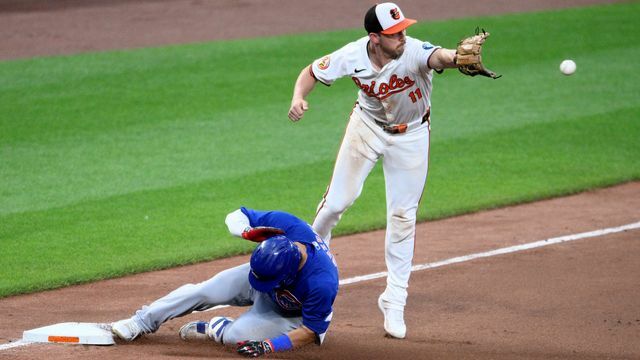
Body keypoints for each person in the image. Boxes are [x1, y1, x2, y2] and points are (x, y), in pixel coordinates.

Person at [288, 2, 494, 339]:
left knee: (403, 216)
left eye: (403, 29)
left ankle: (394, 298)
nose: (403, 36)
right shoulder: (353, 55)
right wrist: (298, 97)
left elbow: (437, 56)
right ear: (374, 38)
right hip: (366, 127)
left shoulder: (412, 51)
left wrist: (457, 59)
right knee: (336, 204)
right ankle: (311, 268)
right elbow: (311, 71)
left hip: (411, 135)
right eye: (394, 33)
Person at [111, 207, 339, 358]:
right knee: (203, 291)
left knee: (235, 337)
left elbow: (311, 331)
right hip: (265, 276)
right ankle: (141, 321)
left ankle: (217, 328)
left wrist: (268, 345)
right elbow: (236, 214)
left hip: (290, 315)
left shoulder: (321, 283)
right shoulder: (288, 227)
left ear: (288, 275)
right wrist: (246, 231)